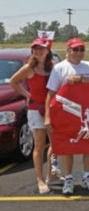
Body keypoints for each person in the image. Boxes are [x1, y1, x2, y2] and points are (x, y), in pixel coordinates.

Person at [45, 38, 89, 195]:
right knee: (68, 147)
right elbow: (50, 94)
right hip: (66, 114)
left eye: (81, 49)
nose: (78, 53)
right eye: (75, 49)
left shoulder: (88, 66)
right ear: (68, 51)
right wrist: (48, 117)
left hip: (86, 113)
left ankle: (87, 177)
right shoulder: (59, 68)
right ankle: (68, 179)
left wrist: (80, 79)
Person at [9, 38, 60, 194]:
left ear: (47, 50)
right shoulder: (28, 68)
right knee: (39, 146)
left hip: (52, 110)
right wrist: (26, 95)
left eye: (42, 48)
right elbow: (13, 82)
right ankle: (40, 179)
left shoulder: (53, 67)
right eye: (35, 49)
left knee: (56, 144)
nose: (38, 51)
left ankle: (52, 174)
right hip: (36, 110)